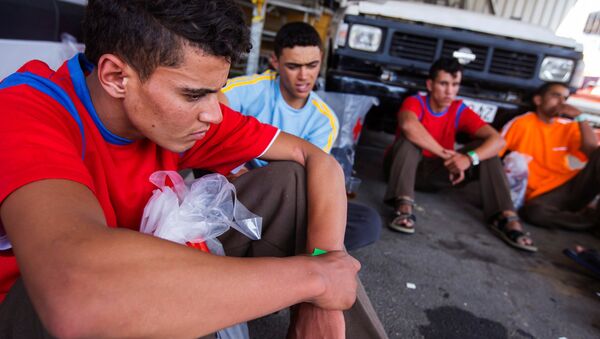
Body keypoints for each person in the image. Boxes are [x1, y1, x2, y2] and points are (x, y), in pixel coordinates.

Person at [0, 1, 362, 338]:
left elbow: (317, 158)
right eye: (194, 94)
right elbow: (75, 290)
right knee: (74, 288)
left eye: (216, 91)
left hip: (138, 267)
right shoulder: (26, 111)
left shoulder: (178, 117)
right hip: (42, 310)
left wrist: (325, 267)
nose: (214, 113)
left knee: (291, 183)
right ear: (115, 76)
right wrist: (316, 280)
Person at [220, 22, 382, 252]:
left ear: (322, 60)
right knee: (293, 173)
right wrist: (234, 166)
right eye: (294, 66)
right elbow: (211, 112)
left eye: (312, 65)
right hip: (235, 184)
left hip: (285, 195)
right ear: (275, 62)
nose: (304, 76)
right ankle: (290, 249)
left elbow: (310, 179)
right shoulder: (251, 90)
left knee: (367, 222)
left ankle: (285, 242)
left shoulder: (324, 120)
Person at [383, 57, 537, 252]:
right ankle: (403, 206)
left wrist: (468, 158)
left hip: (435, 173)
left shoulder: (458, 109)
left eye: (455, 85)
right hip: (401, 169)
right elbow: (408, 125)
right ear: (430, 84)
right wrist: (446, 154)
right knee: (409, 140)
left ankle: (505, 217)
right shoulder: (415, 102)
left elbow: (498, 140)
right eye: (443, 84)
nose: (450, 91)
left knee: (485, 148)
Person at [501, 82, 599, 230]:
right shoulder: (522, 123)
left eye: (565, 98)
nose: (561, 102)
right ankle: (590, 221)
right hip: (541, 196)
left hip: (569, 185)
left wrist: (581, 118)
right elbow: (495, 152)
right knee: (534, 213)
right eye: (556, 96)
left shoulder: (568, 125)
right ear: (538, 100)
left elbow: (592, 153)